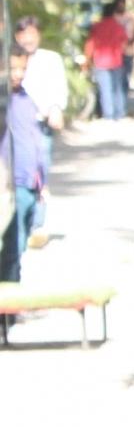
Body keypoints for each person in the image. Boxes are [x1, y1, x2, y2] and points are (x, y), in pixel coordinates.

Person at [16, 18, 65, 250]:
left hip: (40, 125)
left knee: (39, 172)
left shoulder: (50, 59)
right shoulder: (12, 59)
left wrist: (56, 109)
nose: (28, 39)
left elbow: (59, 88)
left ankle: (36, 225)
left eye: (32, 33)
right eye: (24, 34)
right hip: (16, 128)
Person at [2, 47, 50, 284]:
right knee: (13, 243)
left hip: (31, 180)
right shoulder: (4, 101)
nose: (18, 74)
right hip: (11, 183)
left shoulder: (26, 99)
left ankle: (12, 290)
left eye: (23, 69)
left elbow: (36, 141)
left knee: (19, 247)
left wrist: (42, 181)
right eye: (13, 68)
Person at [87, 3, 128, 121]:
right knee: (117, 88)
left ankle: (108, 114)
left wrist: (88, 58)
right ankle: (119, 113)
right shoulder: (118, 26)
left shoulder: (97, 26)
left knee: (105, 89)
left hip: (100, 61)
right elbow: (124, 42)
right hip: (116, 60)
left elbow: (91, 43)